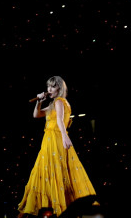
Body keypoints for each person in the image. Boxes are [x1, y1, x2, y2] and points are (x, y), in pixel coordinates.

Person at [17, 76, 97, 217]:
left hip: (55, 139)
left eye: (52, 87)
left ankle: (59, 207)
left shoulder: (59, 101)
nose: (49, 89)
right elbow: (37, 115)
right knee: (57, 171)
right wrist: (39, 102)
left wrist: (65, 137)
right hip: (51, 140)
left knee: (55, 170)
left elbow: (60, 120)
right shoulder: (55, 104)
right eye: (48, 87)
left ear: (59, 88)